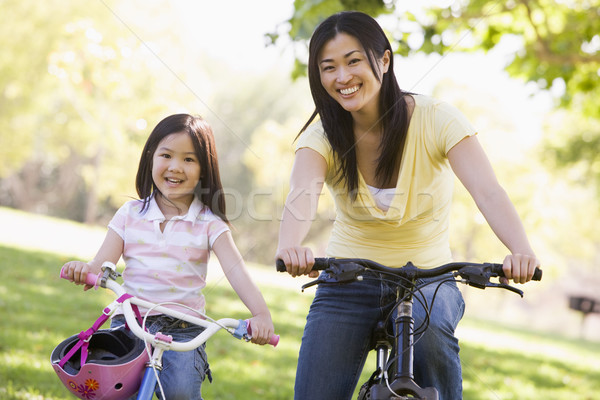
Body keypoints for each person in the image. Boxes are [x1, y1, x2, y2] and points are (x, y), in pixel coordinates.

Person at [275, 11, 540, 400]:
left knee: (429, 330)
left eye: (353, 61)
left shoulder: (436, 118)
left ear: (383, 60)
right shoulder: (322, 137)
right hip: (348, 280)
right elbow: (301, 196)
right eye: (328, 67)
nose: (342, 77)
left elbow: (488, 192)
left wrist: (521, 250)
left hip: (430, 280)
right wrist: (290, 246)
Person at [62, 113, 275, 400]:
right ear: (151, 157)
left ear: (204, 169)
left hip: (183, 331)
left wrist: (260, 314)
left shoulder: (209, 223)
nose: (175, 167)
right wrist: (84, 269)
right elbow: (102, 265)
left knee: (179, 392)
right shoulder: (130, 214)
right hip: (130, 322)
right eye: (166, 155)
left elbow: (237, 271)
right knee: (111, 392)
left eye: (189, 159)